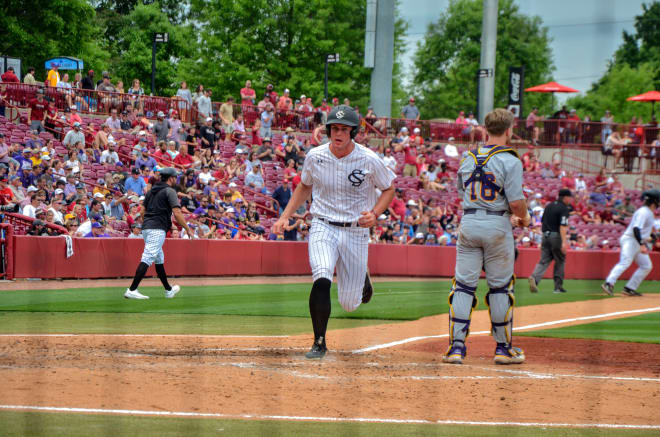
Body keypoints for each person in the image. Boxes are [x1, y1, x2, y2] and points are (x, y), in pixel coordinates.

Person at [271, 105, 395, 359]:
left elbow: (389, 187)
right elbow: (304, 187)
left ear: (353, 132)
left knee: (350, 304)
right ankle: (319, 342)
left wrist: (375, 213)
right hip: (322, 224)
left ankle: (363, 278)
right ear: (328, 130)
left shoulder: (369, 159)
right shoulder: (315, 156)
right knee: (322, 275)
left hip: (355, 230)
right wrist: (284, 216)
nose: (338, 133)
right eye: (334, 128)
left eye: (344, 129)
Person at [442, 108, 529, 366]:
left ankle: (455, 348)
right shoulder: (511, 160)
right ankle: (503, 348)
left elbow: (462, 192)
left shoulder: (468, 157)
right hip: (497, 225)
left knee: (463, 285)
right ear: (508, 130)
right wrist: (523, 218)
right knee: (500, 288)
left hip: (469, 222)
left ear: (486, 129)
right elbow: (516, 202)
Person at [124, 168, 194, 299]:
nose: (176, 180)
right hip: (157, 228)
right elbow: (177, 212)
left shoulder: (151, 191)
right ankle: (132, 289)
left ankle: (168, 290)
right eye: (175, 177)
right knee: (147, 257)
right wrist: (187, 229)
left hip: (147, 228)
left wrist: (149, 223)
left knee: (159, 259)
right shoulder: (170, 191)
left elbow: (142, 211)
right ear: (171, 178)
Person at [602, 190, 659, 297]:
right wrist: (642, 245)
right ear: (654, 201)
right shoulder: (644, 212)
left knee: (646, 266)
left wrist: (653, 237)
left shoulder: (648, 212)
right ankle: (609, 283)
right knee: (625, 262)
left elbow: (644, 232)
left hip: (636, 241)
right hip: (631, 240)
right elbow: (636, 229)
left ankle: (630, 288)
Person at [528, 189, 573, 294]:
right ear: (565, 197)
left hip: (545, 235)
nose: (570, 199)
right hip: (556, 236)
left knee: (544, 260)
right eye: (569, 197)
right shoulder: (564, 208)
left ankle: (534, 278)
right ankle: (558, 288)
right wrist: (563, 242)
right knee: (560, 260)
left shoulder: (549, 206)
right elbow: (563, 226)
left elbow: (543, 221)